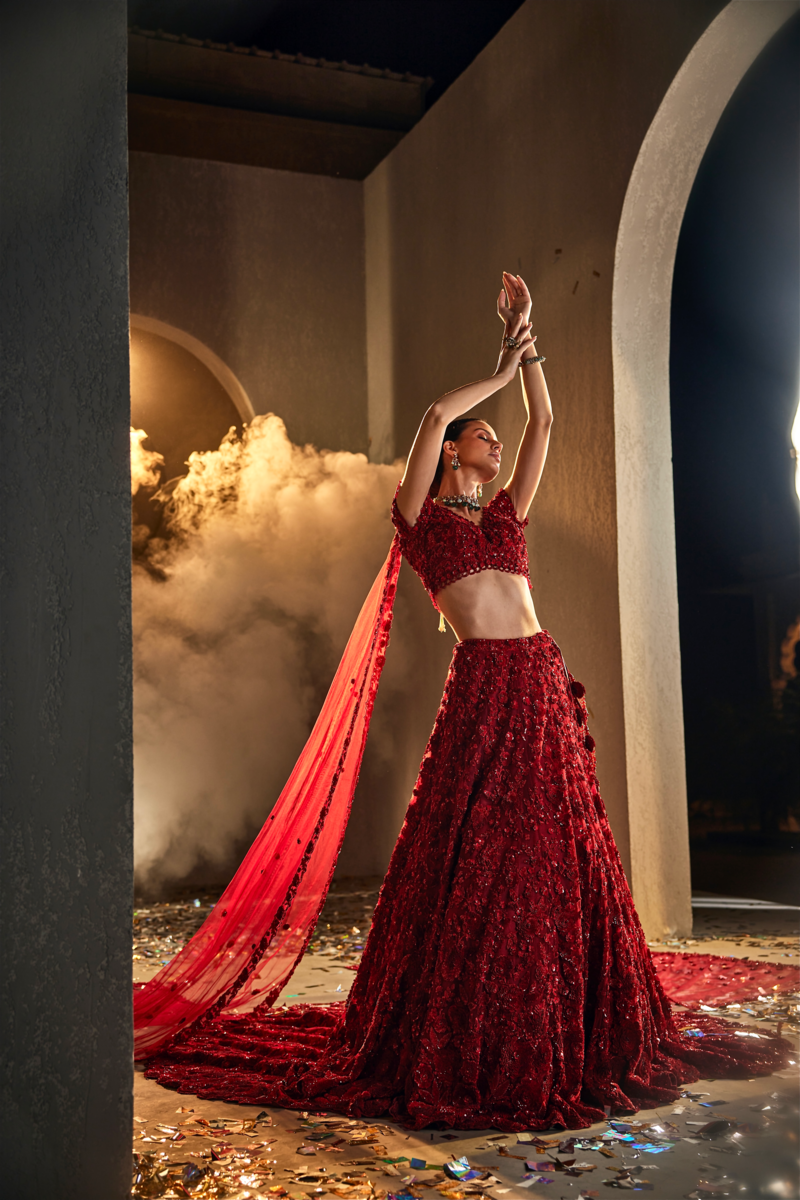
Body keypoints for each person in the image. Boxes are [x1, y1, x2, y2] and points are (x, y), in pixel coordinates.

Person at [137, 273, 789, 1130]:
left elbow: (546, 422)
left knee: (558, 850)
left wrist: (529, 343)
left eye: (492, 432)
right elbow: (437, 412)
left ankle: (557, 1015)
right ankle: (477, 1022)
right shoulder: (419, 518)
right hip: (485, 684)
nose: (493, 435)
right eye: (482, 433)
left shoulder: (509, 513)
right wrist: (498, 366)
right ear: (452, 455)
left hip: (542, 678)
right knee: (479, 853)